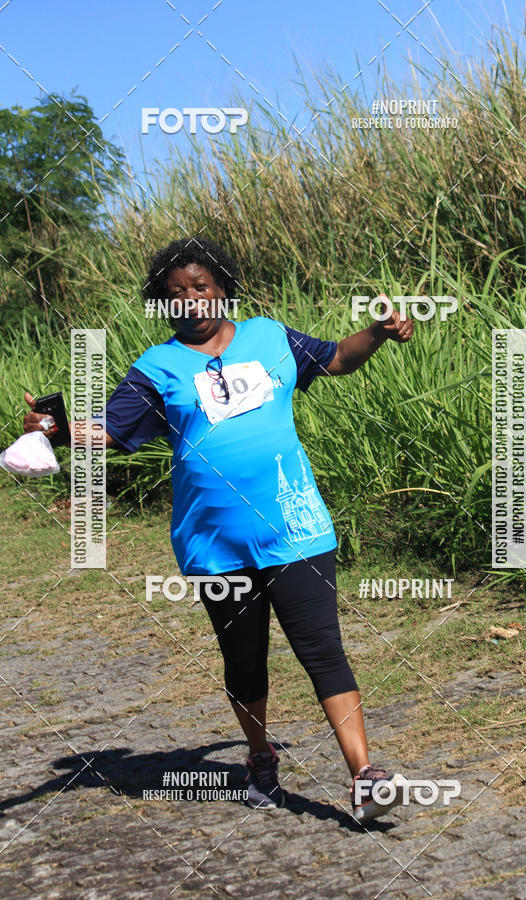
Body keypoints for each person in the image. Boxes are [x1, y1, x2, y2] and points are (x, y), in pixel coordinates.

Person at [23, 236, 414, 820]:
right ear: (165, 305)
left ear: (222, 289)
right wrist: (53, 429)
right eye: (175, 293)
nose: (190, 299)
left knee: (323, 650)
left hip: (296, 527)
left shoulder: (270, 337)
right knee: (244, 660)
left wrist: (379, 333)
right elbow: (107, 432)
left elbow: (335, 357)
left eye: (200, 286)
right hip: (215, 545)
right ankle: (260, 757)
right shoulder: (157, 369)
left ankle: (363, 775)